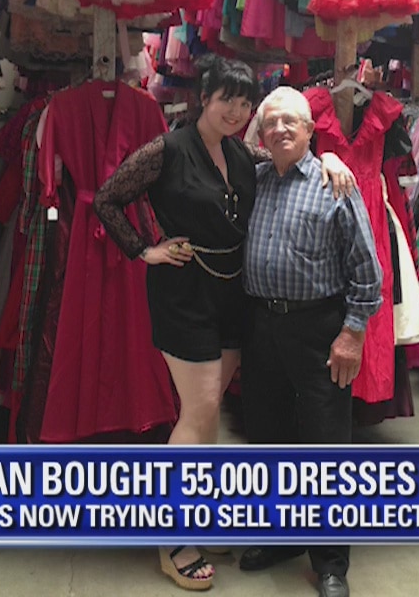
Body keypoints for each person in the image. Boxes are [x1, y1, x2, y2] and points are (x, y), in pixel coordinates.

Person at [93, 57, 357, 591]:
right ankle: (170, 536)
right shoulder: (167, 149)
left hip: (235, 295)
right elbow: (107, 199)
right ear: (203, 97)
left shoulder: (244, 153)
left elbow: (292, 154)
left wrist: (330, 156)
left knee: (209, 416)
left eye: (244, 103)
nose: (235, 112)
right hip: (184, 293)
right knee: (198, 412)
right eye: (225, 100)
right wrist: (144, 250)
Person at [237, 87, 383, 597]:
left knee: (325, 444)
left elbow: (366, 268)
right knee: (267, 437)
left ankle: (331, 562)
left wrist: (352, 333)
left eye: (289, 122)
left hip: (320, 329)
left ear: (308, 130)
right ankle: (281, 538)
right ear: (260, 133)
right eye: (270, 122)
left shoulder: (333, 182)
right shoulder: (254, 180)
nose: (279, 129)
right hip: (261, 325)